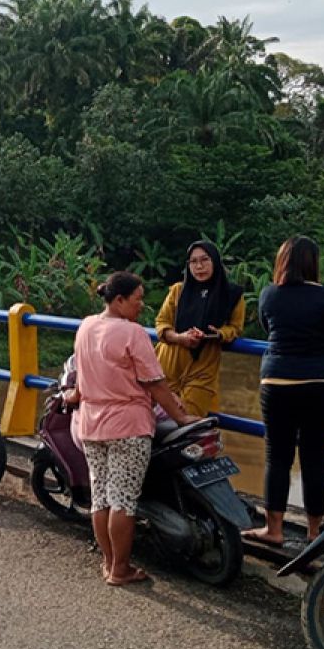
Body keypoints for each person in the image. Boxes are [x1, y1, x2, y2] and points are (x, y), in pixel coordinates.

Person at [74, 271, 197, 586]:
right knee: (123, 500)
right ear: (119, 300)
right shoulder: (132, 333)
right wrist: (182, 418)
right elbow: (154, 382)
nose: (142, 305)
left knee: (100, 497)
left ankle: (108, 562)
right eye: (138, 299)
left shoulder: (86, 326)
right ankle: (121, 569)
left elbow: (81, 373)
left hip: (91, 423)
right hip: (127, 426)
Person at [244, 236, 324, 545]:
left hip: (278, 381)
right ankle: (313, 533)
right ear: (313, 263)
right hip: (323, 384)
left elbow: (268, 327)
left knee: (277, 457)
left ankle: (274, 529)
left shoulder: (270, 295)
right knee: (315, 459)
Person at [154, 241, 246, 416]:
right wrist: (180, 337)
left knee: (188, 421)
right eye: (193, 262)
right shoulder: (178, 291)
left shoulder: (232, 295)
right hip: (168, 363)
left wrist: (218, 334)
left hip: (202, 368)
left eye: (205, 260)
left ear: (216, 262)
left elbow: (235, 327)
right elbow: (161, 322)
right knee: (152, 421)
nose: (199, 266)